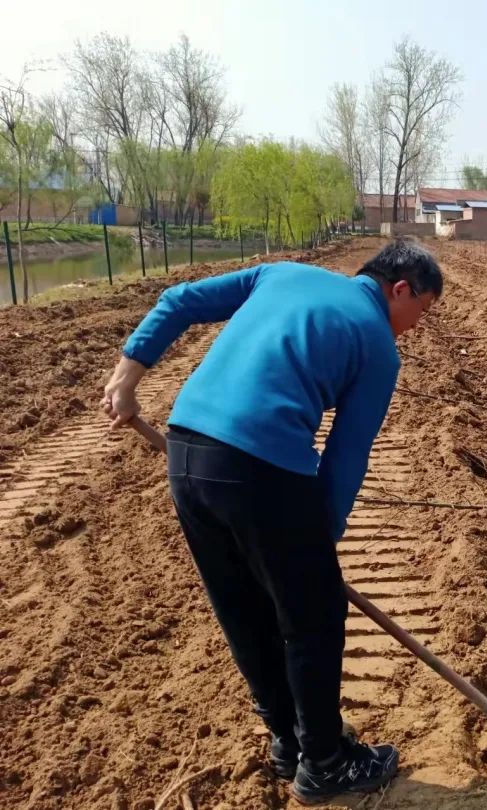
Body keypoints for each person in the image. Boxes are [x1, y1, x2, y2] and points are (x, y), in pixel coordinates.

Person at [101, 239, 442, 804]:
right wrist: (317, 548)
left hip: (187, 455)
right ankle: (327, 762)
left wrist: (127, 376)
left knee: (244, 607)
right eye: (422, 311)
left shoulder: (281, 274)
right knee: (313, 615)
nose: (417, 325)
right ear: (400, 288)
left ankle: (290, 741)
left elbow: (179, 300)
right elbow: (345, 455)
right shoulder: (379, 345)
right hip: (260, 465)